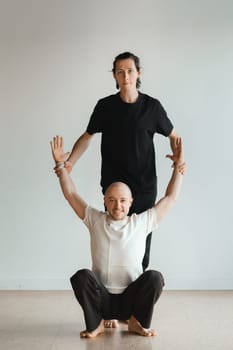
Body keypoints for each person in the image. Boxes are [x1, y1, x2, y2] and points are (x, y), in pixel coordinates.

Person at [50, 135, 186, 339]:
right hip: (102, 298)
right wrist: (61, 165)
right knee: (81, 276)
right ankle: (96, 324)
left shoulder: (141, 222)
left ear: (131, 202)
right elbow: (71, 194)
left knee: (155, 277)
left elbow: (170, 198)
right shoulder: (95, 219)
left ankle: (136, 322)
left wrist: (178, 167)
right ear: (105, 201)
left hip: (131, 299)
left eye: (123, 200)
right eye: (112, 200)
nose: (117, 205)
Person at [61, 51, 183, 277]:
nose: (125, 76)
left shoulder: (152, 107)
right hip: (114, 186)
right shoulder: (105, 107)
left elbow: (174, 136)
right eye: (120, 72)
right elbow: (87, 137)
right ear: (115, 76)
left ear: (138, 73)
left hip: (144, 186)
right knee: (112, 237)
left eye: (129, 71)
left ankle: (136, 296)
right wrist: (69, 163)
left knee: (142, 242)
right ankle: (112, 294)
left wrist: (178, 159)